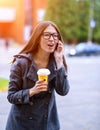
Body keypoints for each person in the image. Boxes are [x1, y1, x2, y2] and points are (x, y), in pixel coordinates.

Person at [6, 21, 70, 130]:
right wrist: (32, 91)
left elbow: (63, 91)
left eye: (55, 36)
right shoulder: (21, 63)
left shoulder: (55, 63)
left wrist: (59, 60)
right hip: (21, 125)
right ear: (37, 38)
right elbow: (11, 96)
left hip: (47, 124)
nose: (52, 39)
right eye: (47, 35)